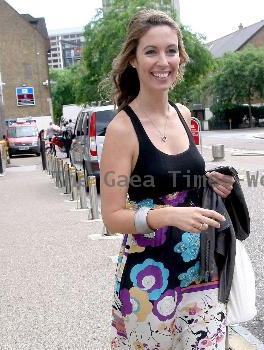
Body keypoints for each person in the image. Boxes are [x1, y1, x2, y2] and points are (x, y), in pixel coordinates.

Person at [100, 9, 235, 349]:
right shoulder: (121, 129)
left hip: (200, 269)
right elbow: (112, 216)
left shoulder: (183, 114)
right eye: (151, 51)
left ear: (180, 56)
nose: (163, 61)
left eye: (171, 50)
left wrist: (208, 182)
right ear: (133, 59)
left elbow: (174, 179)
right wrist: (168, 215)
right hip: (148, 278)